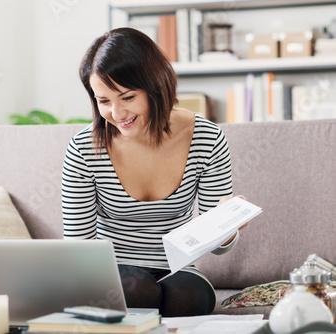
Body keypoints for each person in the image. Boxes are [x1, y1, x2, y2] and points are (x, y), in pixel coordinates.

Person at [61, 27, 248, 317]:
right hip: (113, 272)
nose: (117, 114)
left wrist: (227, 228)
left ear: (155, 86)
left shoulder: (206, 138)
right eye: (104, 101)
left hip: (178, 269)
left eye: (127, 97)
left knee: (190, 297)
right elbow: (78, 247)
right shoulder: (84, 149)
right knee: (137, 289)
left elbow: (218, 247)